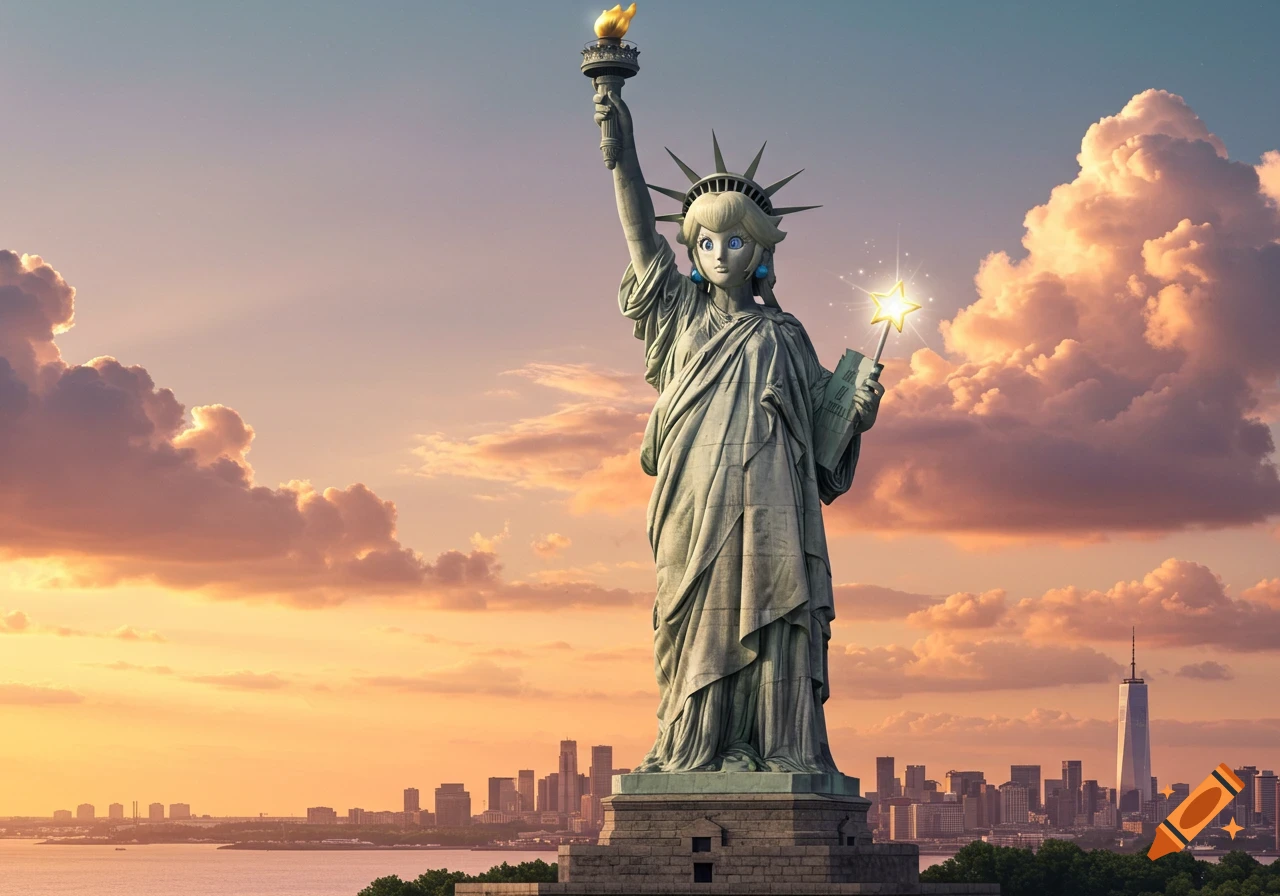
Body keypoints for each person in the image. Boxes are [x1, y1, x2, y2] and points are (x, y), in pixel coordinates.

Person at [593, 89, 884, 774]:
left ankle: (778, 749)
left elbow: (821, 443)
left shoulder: (785, 333)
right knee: (693, 619)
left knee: (780, 618)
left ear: (759, 253)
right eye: (705, 241)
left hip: (775, 501)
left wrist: (857, 414)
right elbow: (640, 234)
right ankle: (693, 749)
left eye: (736, 241)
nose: (720, 253)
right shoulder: (677, 316)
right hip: (696, 500)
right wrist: (619, 153)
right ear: (691, 250)